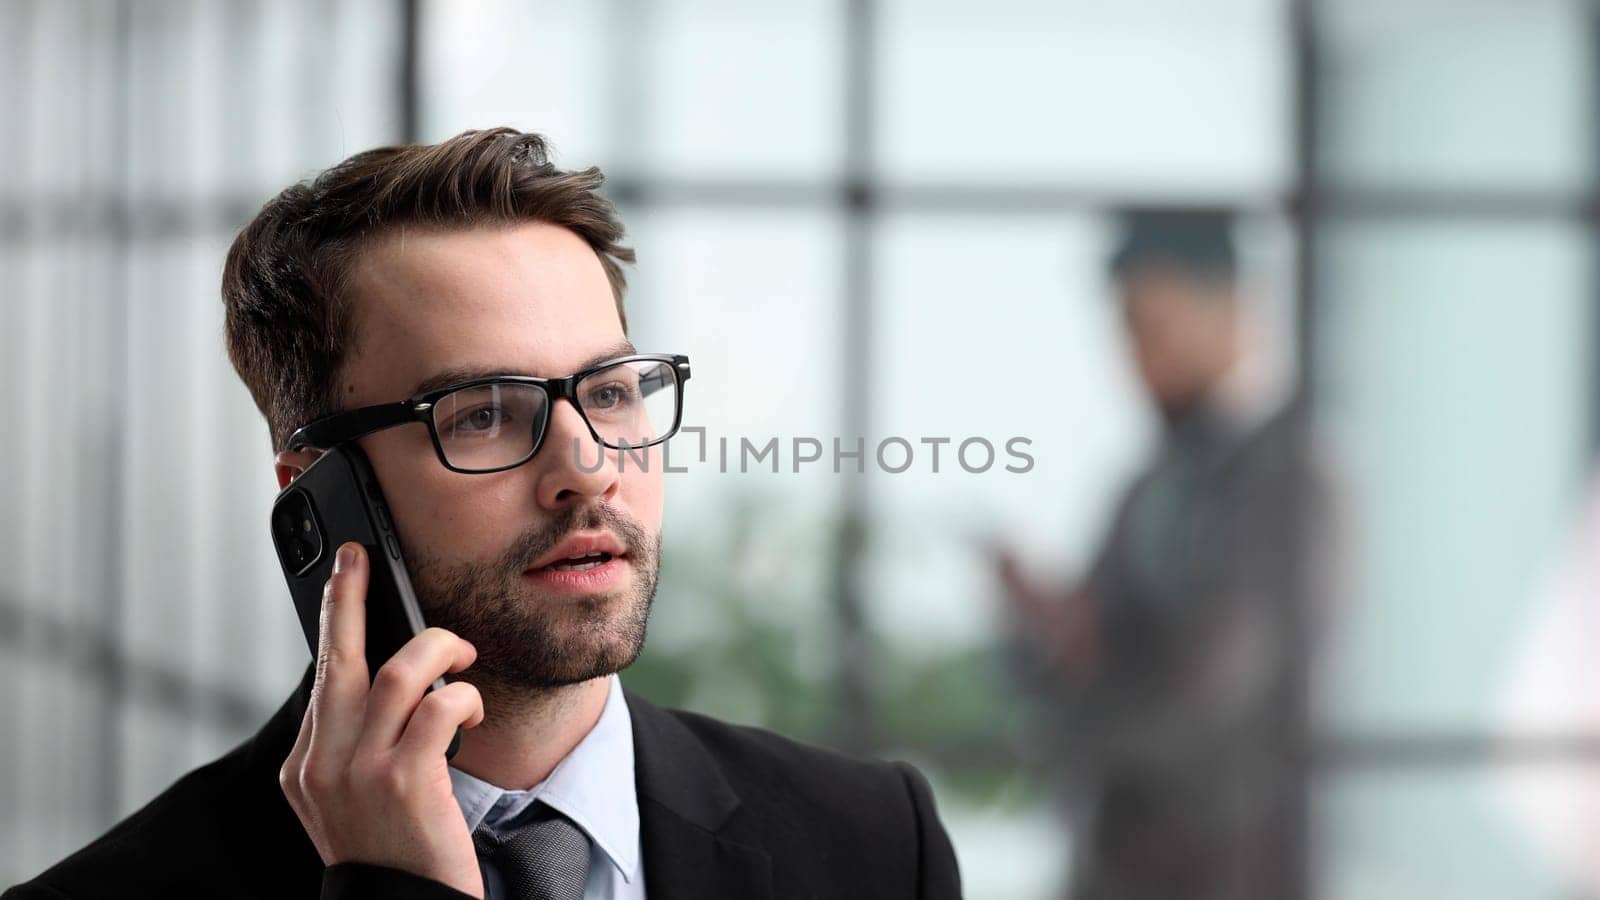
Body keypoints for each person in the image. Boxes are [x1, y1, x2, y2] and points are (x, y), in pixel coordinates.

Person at [4, 128, 961, 900]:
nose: (586, 471)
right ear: (317, 492)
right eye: (485, 414)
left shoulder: (876, 844)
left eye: (613, 391)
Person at [995, 209, 1335, 900]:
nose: (1138, 360)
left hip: (1228, 873)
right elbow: (1060, 667)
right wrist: (1042, 628)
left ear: (1233, 309)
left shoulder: (1288, 477)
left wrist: (1084, 680)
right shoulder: (1144, 484)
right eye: (1126, 333)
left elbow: (1207, 691)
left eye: (1155, 327)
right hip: (1113, 867)